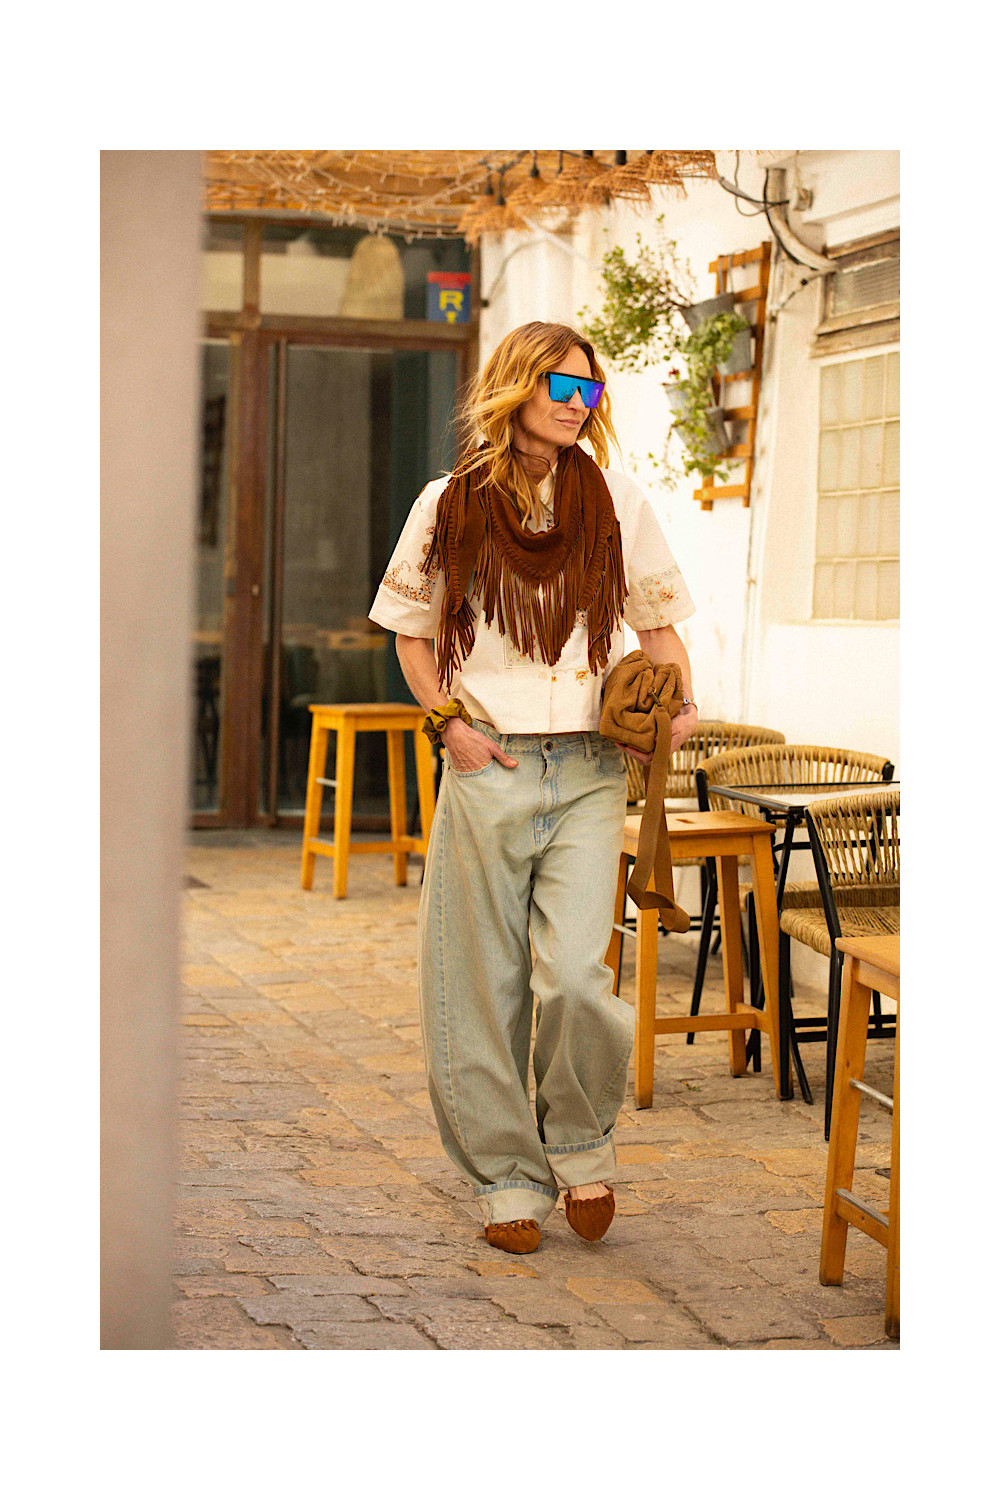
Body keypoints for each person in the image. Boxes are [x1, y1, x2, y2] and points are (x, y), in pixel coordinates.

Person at [368, 321, 697, 1254]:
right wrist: (451, 727)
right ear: (517, 387)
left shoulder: (616, 500)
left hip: (590, 767)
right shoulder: (448, 503)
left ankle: (582, 1149)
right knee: (481, 983)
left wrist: (679, 703)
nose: (578, 404)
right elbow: (413, 634)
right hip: (492, 763)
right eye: (562, 385)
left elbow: (657, 626)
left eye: (591, 390)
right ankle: (507, 1178)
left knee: (580, 979)